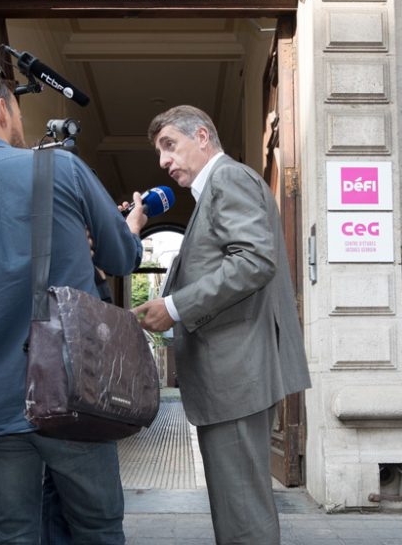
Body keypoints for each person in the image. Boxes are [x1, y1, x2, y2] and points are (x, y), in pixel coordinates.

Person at [0, 65, 146, 544]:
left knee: (10, 532)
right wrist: (132, 227)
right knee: (98, 528)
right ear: (2, 108)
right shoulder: (60, 166)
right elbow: (121, 258)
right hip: (73, 394)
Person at [133, 105, 311, 545]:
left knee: (243, 516)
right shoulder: (213, 192)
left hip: (238, 372)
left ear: (203, 137)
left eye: (170, 146)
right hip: (232, 375)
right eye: (160, 152)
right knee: (237, 510)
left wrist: (174, 307)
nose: (164, 161)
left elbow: (254, 261)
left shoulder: (229, 179)